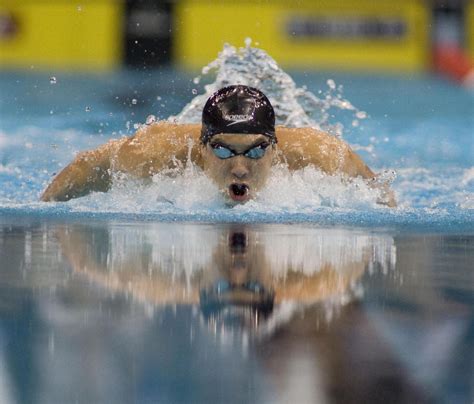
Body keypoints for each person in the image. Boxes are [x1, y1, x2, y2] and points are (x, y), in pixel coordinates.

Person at [41, 85, 396, 206]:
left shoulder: (321, 155)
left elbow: (379, 196)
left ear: (274, 148)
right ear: (201, 148)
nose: (240, 167)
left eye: (256, 151)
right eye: (224, 150)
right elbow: (84, 167)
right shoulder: (149, 154)